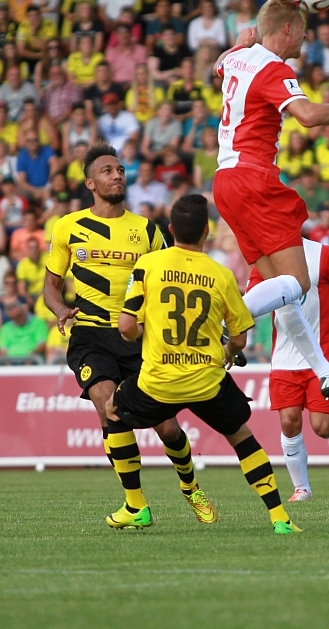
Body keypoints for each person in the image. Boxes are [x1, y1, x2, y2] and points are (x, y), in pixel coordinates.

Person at [212, 0, 329, 412]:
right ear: (287, 29)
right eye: (303, 30)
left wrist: (238, 42)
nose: (306, 38)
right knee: (299, 283)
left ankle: (325, 373)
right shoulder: (273, 68)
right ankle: (223, 319)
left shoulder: (236, 58)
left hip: (225, 181)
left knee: (282, 293)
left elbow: (218, 64)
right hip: (254, 179)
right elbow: (306, 116)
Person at [108, 194, 301, 534]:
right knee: (241, 437)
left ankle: (136, 505)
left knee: (112, 411)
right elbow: (239, 338)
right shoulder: (221, 274)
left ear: (170, 230)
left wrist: (143, 334)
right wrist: (228, 354)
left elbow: (126, 327)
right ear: (206, 231)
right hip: (207, 379)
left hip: (158, 380)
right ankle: (279, 518)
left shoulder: (148, 265)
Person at [44, 144, 215, 525]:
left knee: (167, 427)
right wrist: (60, 310)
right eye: (107, 171)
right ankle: (136, 506)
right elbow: (50, 286)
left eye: (120, 170)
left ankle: (190, 486)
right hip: (90, 334)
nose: (117, 175)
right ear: (90, 183)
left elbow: (170, 280)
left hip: (137, 337)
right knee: (108, 406)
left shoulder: (147, 230)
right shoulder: (68, 226)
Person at [249, 237, 329, 502]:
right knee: (289, 421)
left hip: (321, 355)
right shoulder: (266, 259)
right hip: (284, 356)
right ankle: (302, 489)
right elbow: (251, 302)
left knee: (321, 427)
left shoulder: (323, 254)